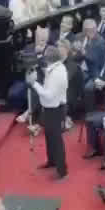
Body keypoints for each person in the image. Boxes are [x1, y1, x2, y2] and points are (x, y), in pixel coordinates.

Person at [28, 47, 70, 179]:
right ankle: (52, 161)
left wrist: (34, 84)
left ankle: (62, 171)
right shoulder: (57, 67)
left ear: (48, 59)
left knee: (56, 140)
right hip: (50, 108)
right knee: (49, 137)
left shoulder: (57, 73)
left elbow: (49, 95)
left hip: (55, 109)